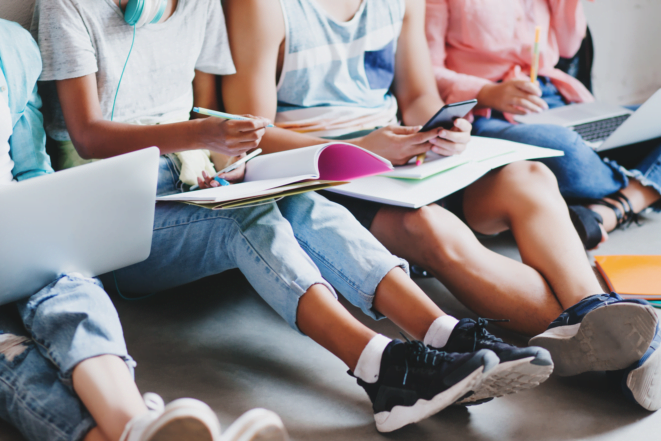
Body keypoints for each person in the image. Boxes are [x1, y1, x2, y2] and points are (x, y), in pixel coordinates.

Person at [32, 0, 560, 432]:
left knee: (302, 198)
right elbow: (89, 136)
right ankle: (381, 369)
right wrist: (201, 136)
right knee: (244, 221)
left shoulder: (197, 5)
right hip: (116, 212)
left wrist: (231, 155)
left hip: (192, 183)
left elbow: (208, 113)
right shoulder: (66, 8)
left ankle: (443, 333)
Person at [221, 0, 661, 410]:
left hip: (401, 156)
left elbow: (418, 99)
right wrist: (359, 145)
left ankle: (595, 311)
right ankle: (635, 353)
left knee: (529, 176)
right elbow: (250, 139)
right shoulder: (263, 7)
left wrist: (445, 131)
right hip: (329, 173)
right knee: (431, 227)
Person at [0, 2, 294, 441]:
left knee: (76, 301)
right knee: (9, 356)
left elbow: (30, 168)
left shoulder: (5, 45)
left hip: (14, 214)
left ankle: (138, 425)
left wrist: (54, 217)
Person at [424, 0, 661, 250]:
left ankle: (614, 209)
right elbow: (424, 73)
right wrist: (486, 91)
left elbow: (569, 47)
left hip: (557, 99)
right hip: (490, 111)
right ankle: (641, 186)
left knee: (581, 144)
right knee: (565, 150)